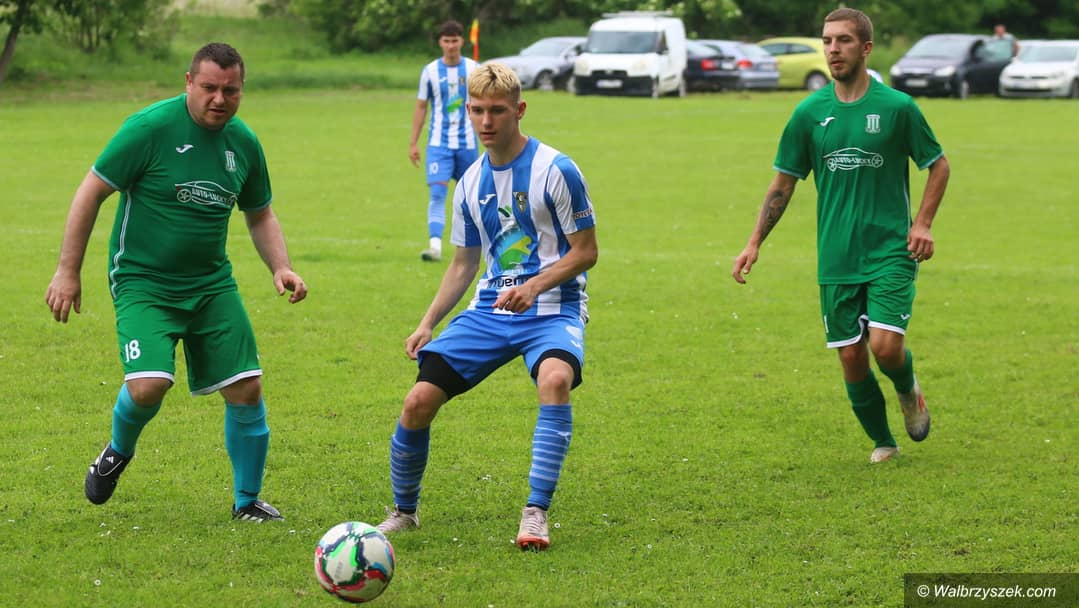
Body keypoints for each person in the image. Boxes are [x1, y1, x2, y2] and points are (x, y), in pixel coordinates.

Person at [44, 42, 307, 521]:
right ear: (188, 82)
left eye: (231, 90)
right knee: (148, 386)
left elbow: (260, 213)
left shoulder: (244, 143)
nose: (219, 99)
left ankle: (246, 503)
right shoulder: (150, 128)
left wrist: (281, 266)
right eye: (209, 87)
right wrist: (67, 270)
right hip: (143, 281)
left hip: (211, 285)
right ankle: (118, 451)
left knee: (247, 388)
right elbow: (90, 192)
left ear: (242, 90)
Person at [376, 62, 598, 550]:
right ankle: (404, 512)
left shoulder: (557, 170)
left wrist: (534, 286)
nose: (485, 121)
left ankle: (535, 513)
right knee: (417, 402)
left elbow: (586, 252)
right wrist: (427, 322)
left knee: (555, 380)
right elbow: (464, 263)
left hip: (553, 307)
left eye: (496, 111)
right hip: (490, 311)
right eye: (476, 110)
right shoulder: (471, 182)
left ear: (519, 110)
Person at [731, 8, 950, 464]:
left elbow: (938, 165)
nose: (833, 49)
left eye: (844, 40)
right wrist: (754, 242)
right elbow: (783, 184)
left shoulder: (898, 108)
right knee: (850, 356)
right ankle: (884, 442)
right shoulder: (809, 113)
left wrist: (923, 223)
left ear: (865, 48)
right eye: (827, 40)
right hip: (836, 255)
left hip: (891, 248)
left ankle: (909, 390)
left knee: (885, 346)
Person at [409, 20, 480, 262]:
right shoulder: (429, 71)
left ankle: (478, 245)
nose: (451, 45)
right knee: (438, 194)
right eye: (446, 41)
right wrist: (413, 143)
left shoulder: (473, 69)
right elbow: (421, 107)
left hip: (468, 144)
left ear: (462, 41)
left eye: (455, 40)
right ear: (440, 42)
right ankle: (435, 247)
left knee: (472, 197)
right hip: (439, 145)